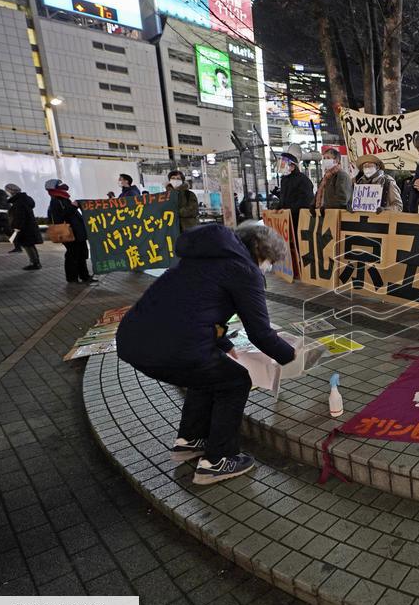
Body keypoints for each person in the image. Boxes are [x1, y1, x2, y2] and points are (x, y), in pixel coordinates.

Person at [116, 224, 296, 485]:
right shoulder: (244, 270)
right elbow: (260, 333)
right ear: (261, 252)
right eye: (270, 262)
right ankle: (219, 460)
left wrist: (223, 345)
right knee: (235, 381)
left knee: (208, 374)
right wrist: (292, 357)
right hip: (170, 347)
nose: (268, 268)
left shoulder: (200, 259)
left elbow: (193, 307)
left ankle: (190, 440)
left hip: (133, 340)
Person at [46, 179, 95, 284]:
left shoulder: (64, 199)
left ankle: (84, 276)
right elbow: (60, 217)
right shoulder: (56, 201)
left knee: (81, 255)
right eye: (60, 186)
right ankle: (72, 278)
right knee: (73, 256)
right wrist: (73, 206)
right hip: (70, 234)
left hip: (77, 233)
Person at [5, 184, 42, 270]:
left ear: (11, 191)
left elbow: (20, 216)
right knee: (30, 245)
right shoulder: (24, 199)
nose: (6, 193)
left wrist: (17, 228)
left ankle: (35, 263)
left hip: (24, 228)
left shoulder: (19, 202)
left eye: (6, 191)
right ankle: (36, 262)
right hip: (28, 226)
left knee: (28, 245)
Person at [276, 152, 315, 228]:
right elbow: (284, 199)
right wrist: (277, 209)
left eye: (283, 164)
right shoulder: (284, 179)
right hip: (286, 219)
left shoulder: (303, 180)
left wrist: (289, 210)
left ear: (292, 166)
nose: (281, 166)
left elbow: (306, 201)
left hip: (299, 219)